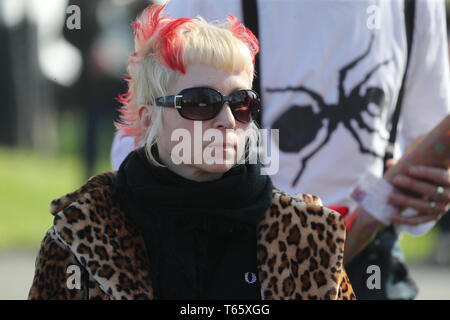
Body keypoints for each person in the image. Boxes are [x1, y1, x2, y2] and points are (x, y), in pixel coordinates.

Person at [111, 0, 450, 299]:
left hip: (369, 255)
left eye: (242, 104)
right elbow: (144, 132)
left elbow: (428, 129)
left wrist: (427, 188)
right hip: (248, 260)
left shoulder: (415, 5)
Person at [28, 4, 356, 300]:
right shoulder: (80, 232)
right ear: (148, 118)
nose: (227, 120)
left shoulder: (307, 236)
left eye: (242, 103)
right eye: (201, 103)